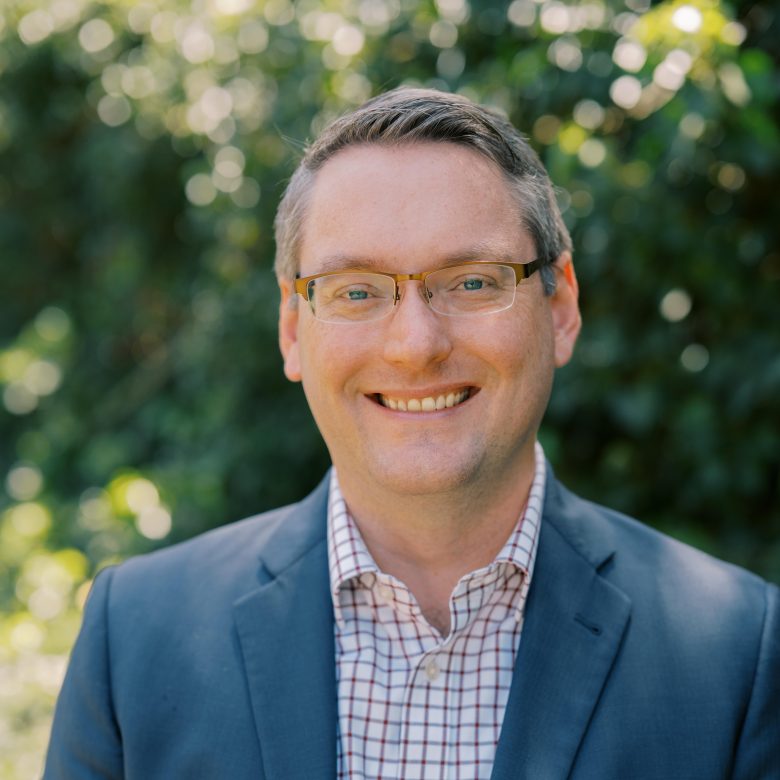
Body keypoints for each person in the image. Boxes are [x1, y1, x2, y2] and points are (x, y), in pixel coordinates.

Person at [45, 88, 778, 780]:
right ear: (293, 329)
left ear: (560, 310)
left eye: (472, 281)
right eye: (356, 291)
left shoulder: (740, 654)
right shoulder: (134, 638)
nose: (415, 346)